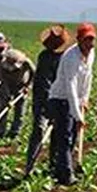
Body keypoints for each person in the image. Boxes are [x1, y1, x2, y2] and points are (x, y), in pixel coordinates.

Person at [48, 23, 96, 186]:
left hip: (75, 98)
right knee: (65, 137)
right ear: (79, 40)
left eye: (92, 39)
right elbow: (71, 87)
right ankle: (66, 175)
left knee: (70, 136)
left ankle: (56, 167)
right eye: (86, 40)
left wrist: (85, 99)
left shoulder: (91, 53)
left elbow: (88, 77)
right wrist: (78, 115)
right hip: (61, 99)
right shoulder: (70, 57)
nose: (90, 44)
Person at [24, 25, 74, 178]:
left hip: (60, 100)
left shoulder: (65, 57)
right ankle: (30, 166)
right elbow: (43, 85)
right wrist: (49, 107)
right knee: (39, 130)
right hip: (43, 101)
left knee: (58, 134)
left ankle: (54, 165)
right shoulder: (45, 57)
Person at [0, 48, 35, 138]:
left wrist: (28, 86)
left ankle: (15, 132)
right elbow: (3, 80)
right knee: (2, 107)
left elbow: (34, 74)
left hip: (21, 87)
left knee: (20, 110)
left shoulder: (26, 62)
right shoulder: (2, 65)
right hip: (7, 86)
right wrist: (7, 94)